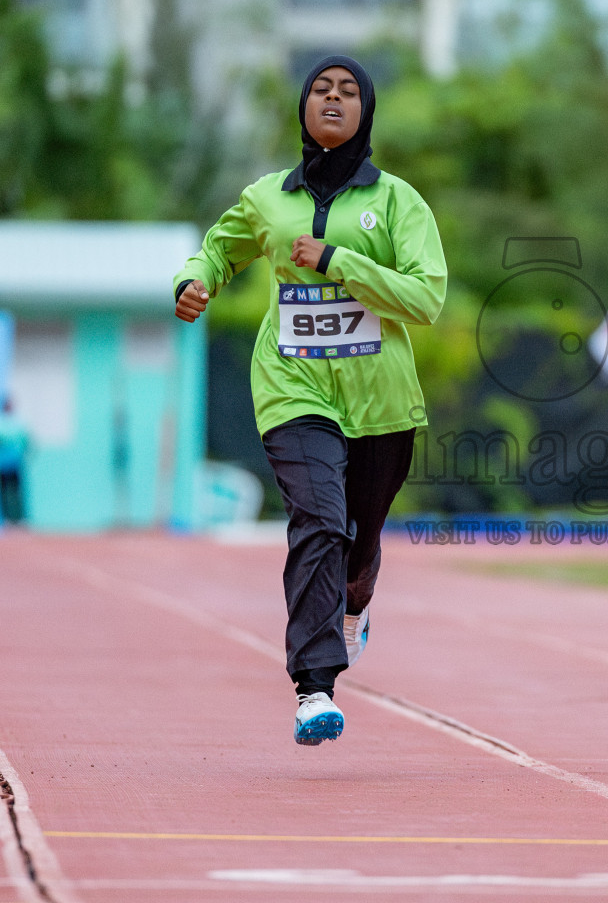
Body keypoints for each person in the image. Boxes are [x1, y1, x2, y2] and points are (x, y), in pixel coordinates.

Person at [173, 55, 446, 745]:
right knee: (318, 520)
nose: (332, 98)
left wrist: (338, 262)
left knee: (356, 545)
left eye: (348, 91)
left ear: (366, 112)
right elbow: (220, 247)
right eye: (320, 89)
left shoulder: (397, 203)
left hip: (381, 402)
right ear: (302, 107)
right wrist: (193, 278)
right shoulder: (268, 196)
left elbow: (426, 298)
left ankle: (358, 592)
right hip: (293, 388)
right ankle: (314, 687)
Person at [0, 397, 30, 525]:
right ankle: (5, 520)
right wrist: (0, 442)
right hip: (0, 464)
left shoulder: (18, 422)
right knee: (2, 493)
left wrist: (26, 449)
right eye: (8, 405)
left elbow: (26, 440)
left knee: (17, 492)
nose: (10, 407)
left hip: (15, 463)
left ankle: (20, 518)